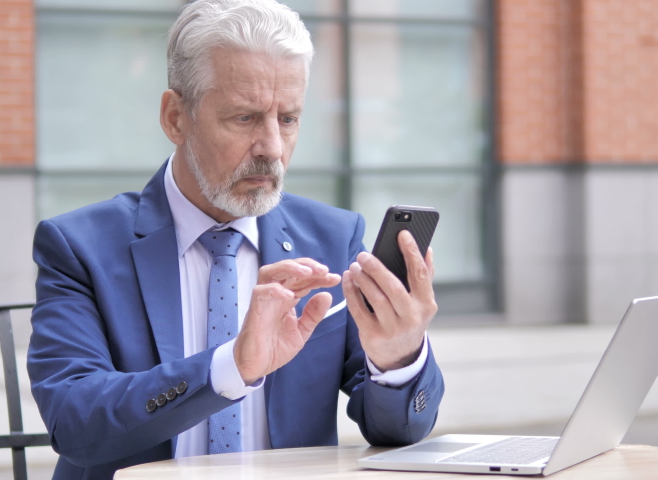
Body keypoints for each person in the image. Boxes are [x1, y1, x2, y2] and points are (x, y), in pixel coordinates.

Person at [27, 0, 444, 478]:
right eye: (245, 118)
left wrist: (398, 358)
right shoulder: (80, 247)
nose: (272, 148)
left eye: (288, 119)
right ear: (175, 117)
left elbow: (398, 432)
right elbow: (74, 422)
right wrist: (229, 368)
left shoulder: (333, 238)